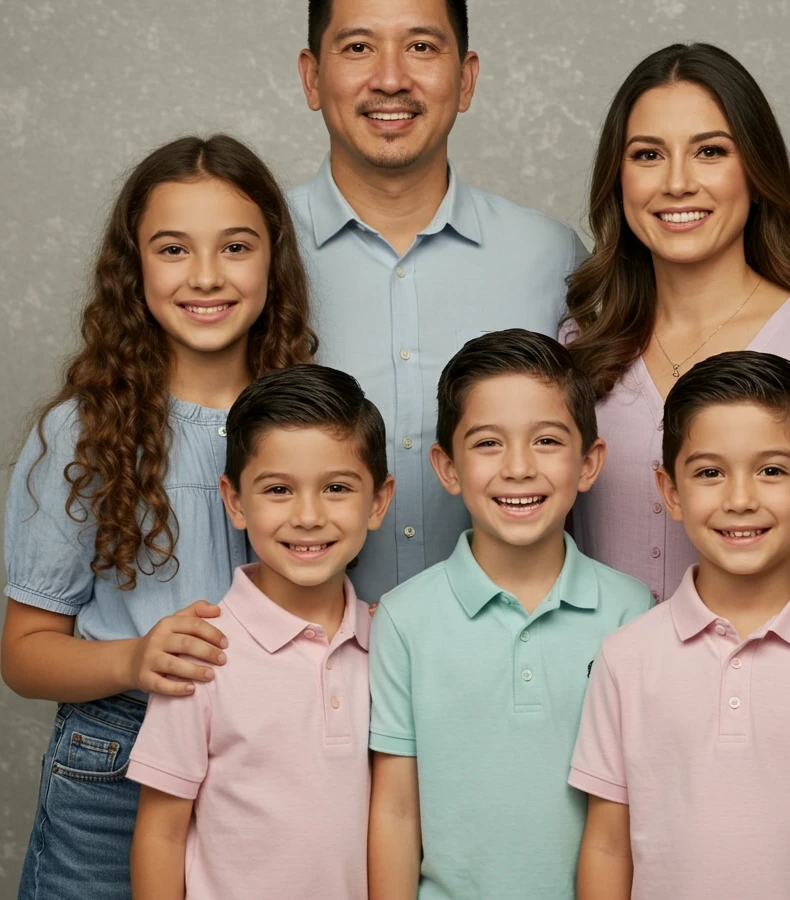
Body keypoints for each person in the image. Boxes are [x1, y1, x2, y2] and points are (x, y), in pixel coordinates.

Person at [1, 136, 317, 900]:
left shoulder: (310, 423)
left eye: (235, 246)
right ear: (133, 266)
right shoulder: (82, 433)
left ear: (272, 261)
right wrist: (133, 659)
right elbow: (23, 655)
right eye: (173, 248)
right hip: (115, 769)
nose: (206, 275)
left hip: (272, 761)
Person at [563, 42, 790, 673]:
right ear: (617, 182)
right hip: (596, 705)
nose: (677, 181)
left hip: (770, 702)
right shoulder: (576, 348)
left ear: (755, 173)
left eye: (711, 151)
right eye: (648, 154)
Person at [289, 0, 586, 600]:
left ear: (467, 77)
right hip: (303, 655)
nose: (391, 78)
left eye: (421, 47)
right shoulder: (246, 254)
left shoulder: (552, 257)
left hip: (508, 651)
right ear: (311, 76)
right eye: (358, 47)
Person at [571, 351, 790, 900]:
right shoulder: (625, 658)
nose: (740, 499)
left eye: (772, 471)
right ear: (671, 492)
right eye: (710, 473)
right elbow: (607, 847)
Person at [367, 330, 652, 900]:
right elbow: (396, 809)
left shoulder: (633, 612)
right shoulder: (403, 619)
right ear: (448, 467)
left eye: (546, 440)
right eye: (488, 443)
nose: (518, 467)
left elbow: (638, 801)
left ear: (589, 462)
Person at [127, 364, 394, 900]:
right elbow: (160, 833)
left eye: (336, 488)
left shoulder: (387, 644)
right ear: (234, 501)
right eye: (278, 489)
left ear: (378, 502)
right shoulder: (203, 652)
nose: (308, 516)